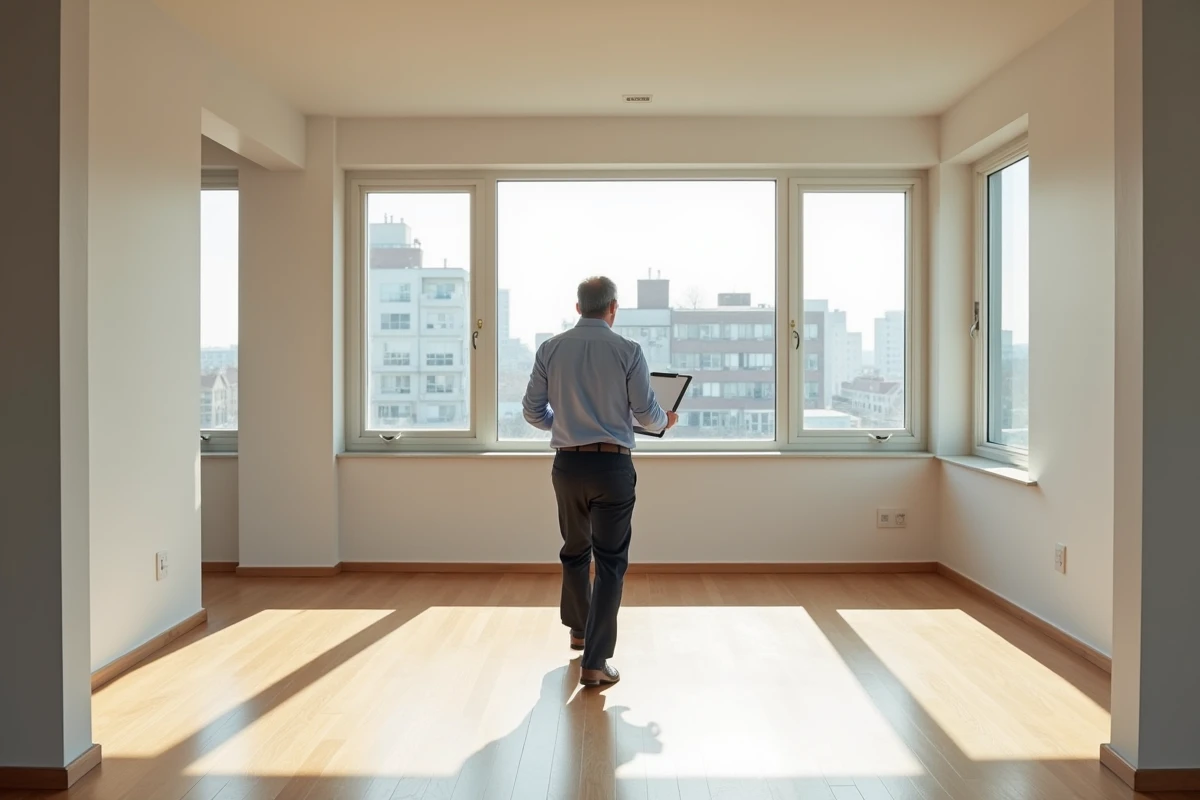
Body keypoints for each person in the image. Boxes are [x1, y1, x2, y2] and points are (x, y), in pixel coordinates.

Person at [522, 276, 678, 687]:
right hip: (612, 467)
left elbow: (532, 412)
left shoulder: (550, 348)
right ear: (613, 308)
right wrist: (667, 421)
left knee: (575, 549)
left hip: (567, 467)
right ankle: (595, 663)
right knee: (609, 563)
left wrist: (568, 426)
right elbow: (647, 415)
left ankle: (578, 630)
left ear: (578, 308)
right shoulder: (628, 351)